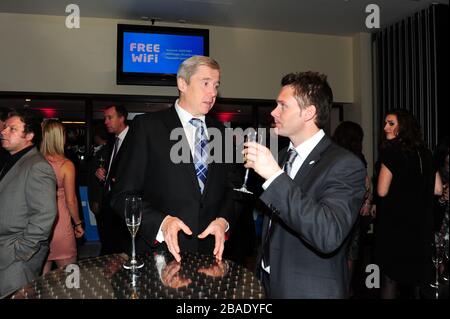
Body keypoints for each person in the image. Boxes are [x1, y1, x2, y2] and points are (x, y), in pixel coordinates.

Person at [244, 71, 366, 298]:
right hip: (268, 283)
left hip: (308, 290)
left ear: (309, 112)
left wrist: (274, 176)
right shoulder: (281, 157)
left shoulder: (345, 164)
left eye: (283, 106)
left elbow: (328, 234)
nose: (274, 112)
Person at [111, 55, 235, 262]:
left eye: (216, 85)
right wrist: (162, 223)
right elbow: (122, 196)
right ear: (182, 83)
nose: (213, 92)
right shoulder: (146, 127)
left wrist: (223, 220)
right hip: (159, 255)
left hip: (210, 256)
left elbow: (232, 191)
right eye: (205, 83)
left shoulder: (222, 133)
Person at [374, 109, 442, 299]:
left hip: (396, 226)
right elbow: (437, 189)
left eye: (391, 123)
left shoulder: (391, 152)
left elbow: (381, 191)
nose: (385, 127)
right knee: (418, 279)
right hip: (420, 226)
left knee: (389, 278)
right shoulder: (426, 153)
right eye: (386, 123)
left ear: (403, 127)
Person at [0, 110, 57, 298]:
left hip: (16, 259)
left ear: (30, 136)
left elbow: (45, 215)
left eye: (12, 129)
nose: (4, 131)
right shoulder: (15, 160)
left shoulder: (37, 165)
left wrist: (20, 251)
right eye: (5, 127)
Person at [332, 121, 373, 295]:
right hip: (353, 211)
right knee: (351, 253)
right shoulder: (357, 157)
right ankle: (346, 289)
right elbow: (367, 184)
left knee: (336, 250)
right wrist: (367, 202)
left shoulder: (332, 155)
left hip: (335, 208)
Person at [40, 120, 85, 274]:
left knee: (39, 283)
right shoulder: (66, 165)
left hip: (39, 226)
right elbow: (71, 200)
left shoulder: (34, 163)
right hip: (60, 224)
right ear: (60, 137)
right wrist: (78, 223)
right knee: (71, 279)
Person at [94, 105, 130, 255]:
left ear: (121, 118)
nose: (106, 122)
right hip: (109, 204)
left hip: (125, 206)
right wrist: (102, 173)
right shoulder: (111, 143)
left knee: (123, 251)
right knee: (109, 249)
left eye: (110, 118)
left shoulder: (135, 140)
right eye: (105, 118)